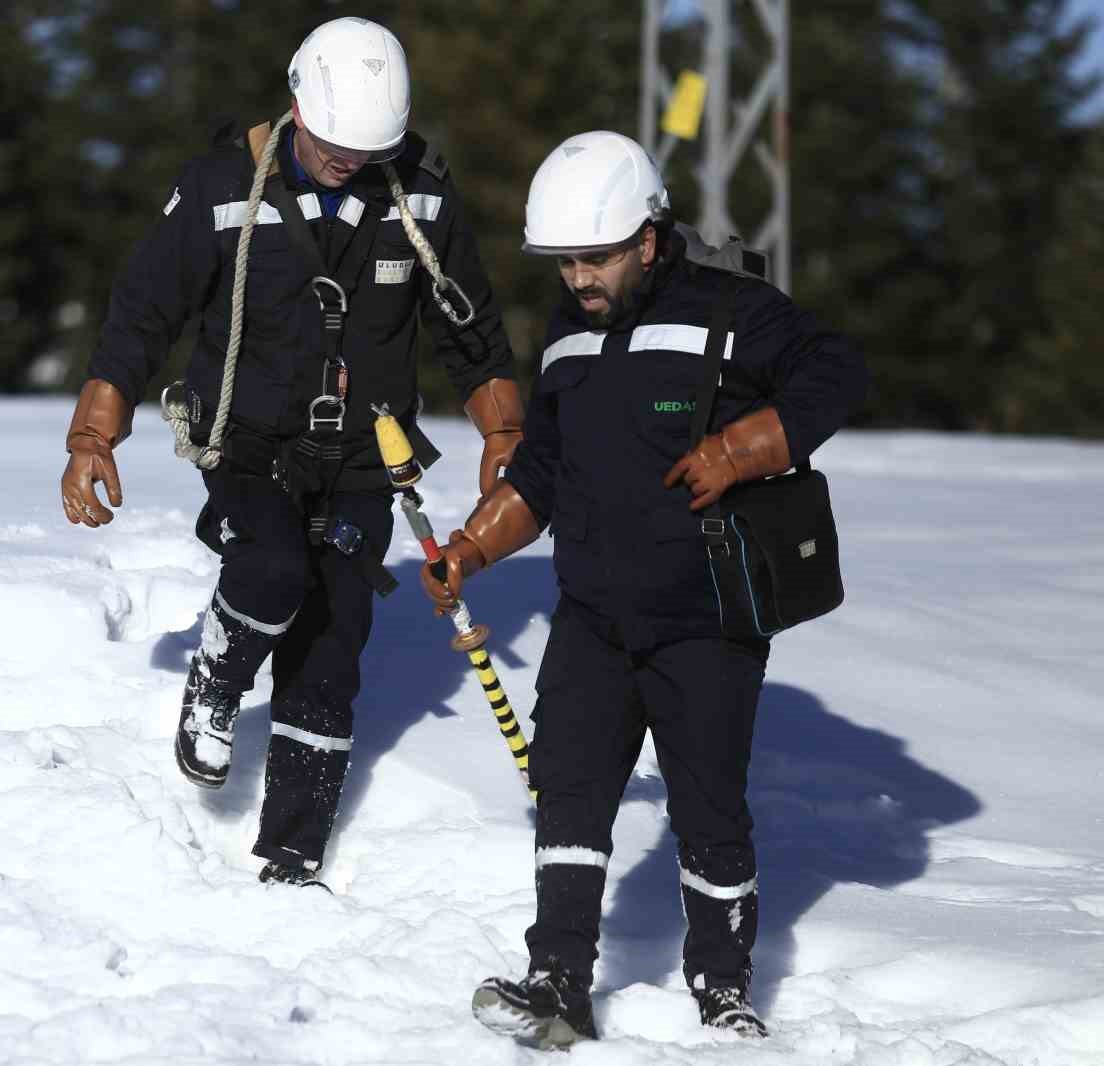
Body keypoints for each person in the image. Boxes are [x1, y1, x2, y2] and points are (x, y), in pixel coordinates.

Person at [422, 131, 867, 1047]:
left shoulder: (735, 310)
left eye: (596, 257)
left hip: (705, 619)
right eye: (565, 261)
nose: (579, 277)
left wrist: (743, 449)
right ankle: (557, 982)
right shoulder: (565, 335)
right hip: (591, 614)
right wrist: (471, 547)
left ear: (650, 238)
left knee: (708, 809)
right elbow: (541, 469)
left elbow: (837, 372)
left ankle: (723, 989)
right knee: (570, 795)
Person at [60, 17, 520, 889]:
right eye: (338, 141)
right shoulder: (221, 185)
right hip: (247, 439)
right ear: (300, 103)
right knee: (271, 573)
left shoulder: (421, 194)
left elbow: (473, 327)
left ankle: (292, 853)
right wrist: (94, 434)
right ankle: (217, 685)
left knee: (334, 641)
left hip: (362, 455)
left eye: (369, 146)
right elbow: (143, 312)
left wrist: (504, 429)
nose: (351, 158)